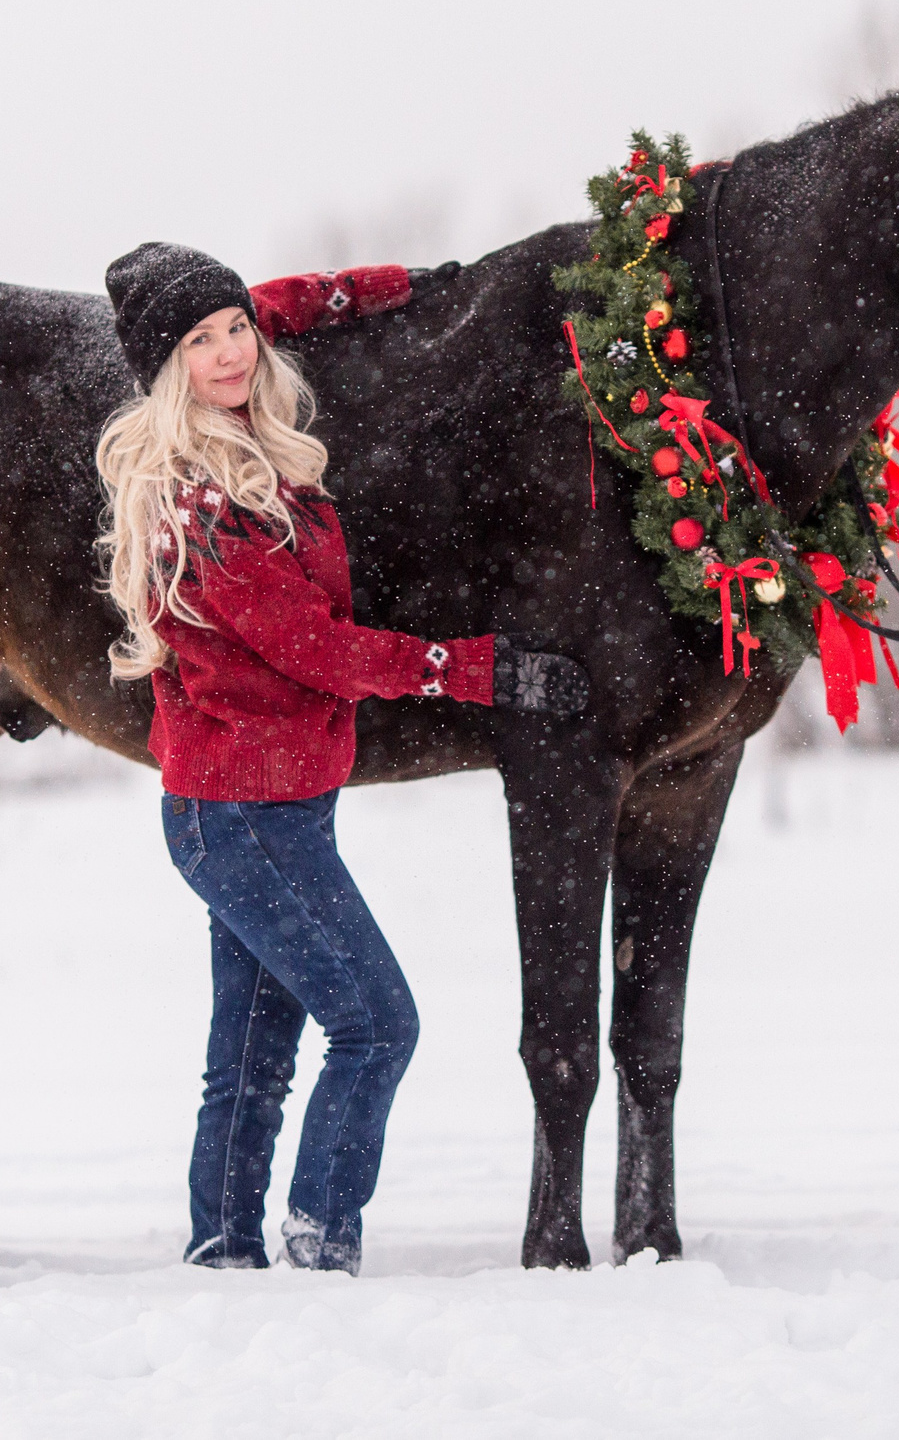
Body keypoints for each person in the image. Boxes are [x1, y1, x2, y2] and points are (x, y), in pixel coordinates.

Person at [93, 241, 586, 1275]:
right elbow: (318, 650)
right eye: (201, 341)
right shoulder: (201, 507)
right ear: (168, 367)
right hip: (240, 817)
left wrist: (403, 287)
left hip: (263, 805)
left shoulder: (244, 426)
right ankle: (322, 1235)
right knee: (377, 1027)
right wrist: (473, 670)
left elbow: (285, 303)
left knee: (252, 1053)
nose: (231, 351)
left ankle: (223, 1248)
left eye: (235, 329)